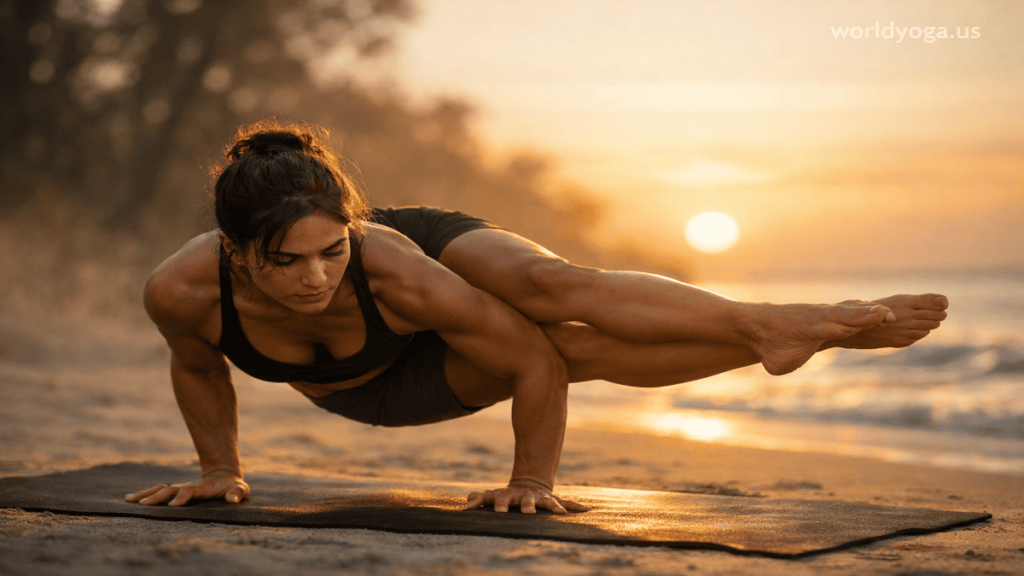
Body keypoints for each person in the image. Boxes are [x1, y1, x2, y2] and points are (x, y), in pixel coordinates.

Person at [126, 120, 948, 514]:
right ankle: (762, 338)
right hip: (379, 385)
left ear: (352, 231)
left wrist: (531, 482)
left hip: (416, 264)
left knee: (551, 290)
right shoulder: (183, 292)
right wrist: (220, 469)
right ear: (235, 254)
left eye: (331, 252)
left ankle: (770, 325)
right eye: (288, 262)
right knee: (565, 348)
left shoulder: (392, 267)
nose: (316, 280)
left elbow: (530, 364)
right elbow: (198, 365)